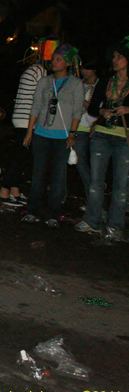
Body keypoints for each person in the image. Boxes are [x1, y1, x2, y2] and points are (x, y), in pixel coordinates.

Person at [21, 44, 83, 228]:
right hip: (41, 133)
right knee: (38, 173)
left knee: (58, 176)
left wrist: (72, 134)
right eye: (53, 58)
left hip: (62, 136)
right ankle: (33, 211)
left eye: (58, 59)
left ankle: (53, 214)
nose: (53, 62)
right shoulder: (44, 82)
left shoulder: (75, 84)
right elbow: (36, 107)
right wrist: (29, 131)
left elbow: (77, 112)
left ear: (67, 63)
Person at [75, 42, 129, 244]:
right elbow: (92, 108)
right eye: (113, 57)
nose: (114, 60)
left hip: (124, 137)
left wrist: (127, 110)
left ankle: (115, 227)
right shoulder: (106, 80)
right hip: (101, 135)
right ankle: (93, 221)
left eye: (118, 57)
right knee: (96, 182)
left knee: (121, 185)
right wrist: (102, 111)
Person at [0, 52, 47, 206]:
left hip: (21, 116)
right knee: (20, 157)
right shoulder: (40, 71)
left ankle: (14, 190)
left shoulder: (31, 70)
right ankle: (4, 190)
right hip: (27, 118)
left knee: (20, 155)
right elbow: (42, 96)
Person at [72, 59, 99, 199]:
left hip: (89, 128)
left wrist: (81, 99)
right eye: (82, 69)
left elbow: (96, 109)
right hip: (74, 127)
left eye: (87, 69)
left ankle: (93, 200)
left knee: (84, 165)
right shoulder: (79, 83)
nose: (84, 72)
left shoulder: (100, 85)